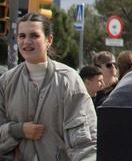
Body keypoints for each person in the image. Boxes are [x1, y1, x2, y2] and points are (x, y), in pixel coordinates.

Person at [0, 13, 97, 160]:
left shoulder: (69, 80)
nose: (27, 41)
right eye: (22, 36)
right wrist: (18, 130)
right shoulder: (7, 81)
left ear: (49, 40)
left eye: (34, 35)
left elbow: (85, 141)